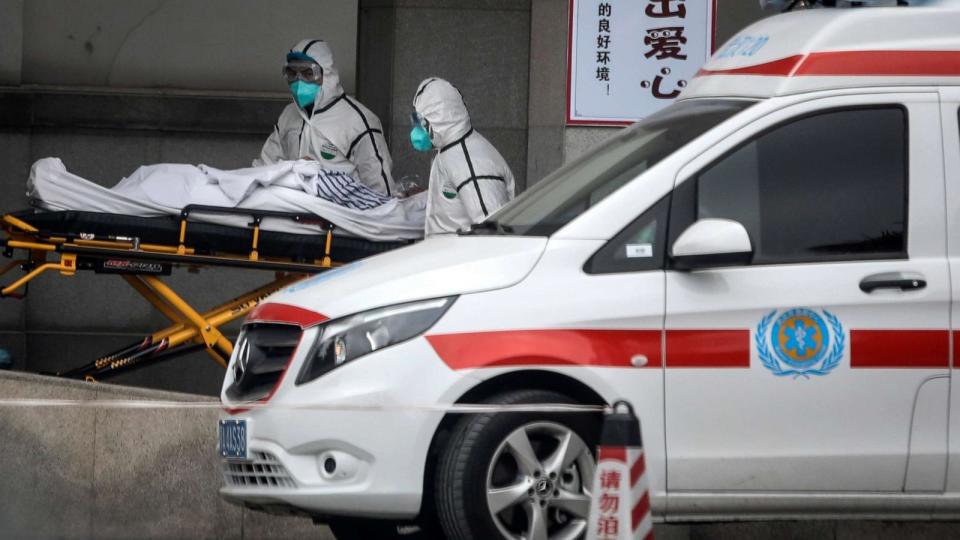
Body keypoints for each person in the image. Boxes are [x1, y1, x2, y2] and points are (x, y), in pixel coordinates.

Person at [259, 39, 396, 196]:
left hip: (342, 215)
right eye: (292, 73)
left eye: (308, 73)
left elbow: (380, 190)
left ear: (327, 73)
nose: (299, 81)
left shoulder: (358, 121)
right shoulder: (289, 115)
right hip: (294, 213)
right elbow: (266, 166)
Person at [410, 77, 515, 235]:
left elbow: (492, 232)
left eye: (422, 124)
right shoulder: (453, 150)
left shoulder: (471, 163)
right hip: (447, 255)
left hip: (459, 257)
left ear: (439, 120)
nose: (417, 131)